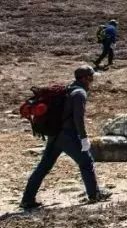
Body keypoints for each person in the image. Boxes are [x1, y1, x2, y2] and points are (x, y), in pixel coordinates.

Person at [20, 65, 111, 209]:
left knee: (43, 167)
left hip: (55, 134)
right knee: (86, 162)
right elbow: (78, 118)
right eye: (91, 78)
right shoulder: (79, 93)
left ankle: (27, 199)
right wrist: (84, 138)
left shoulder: (68, 89)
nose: (92, 81)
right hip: (68, 135)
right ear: (85, 78)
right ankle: (94, 195)